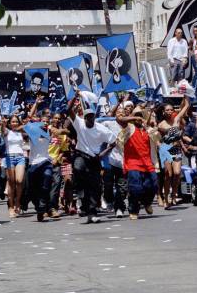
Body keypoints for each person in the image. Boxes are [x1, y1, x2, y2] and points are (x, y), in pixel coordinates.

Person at [67, 91, 117, 223]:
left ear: (94, 117)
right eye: (87, 116)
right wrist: (75, 97)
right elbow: (68, 110)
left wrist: (102, 155)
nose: (89, 119)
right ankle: (79, 192)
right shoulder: (79, 124)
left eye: (91, 116)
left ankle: (92, 212)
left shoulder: (101, 129)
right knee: (78, 168)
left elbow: (113, 143)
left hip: (94, 158)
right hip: (81, 155)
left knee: (94, 186)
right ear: (84, 117)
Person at [117, 109, 160, 220]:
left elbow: (159, 138)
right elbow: (120, 120)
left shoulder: (149, 130)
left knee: (154, 185)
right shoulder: (129, 128)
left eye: (141, 116)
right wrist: (134, 118)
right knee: (136, 188)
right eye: (136, 116)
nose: (139, 118)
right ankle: (134, 210)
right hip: (133, 163)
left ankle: (147, 202)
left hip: (148, 163)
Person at [101, 104, 134, 218]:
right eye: (118, 112)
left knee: (122, 187)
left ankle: (119, 207)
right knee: (108, 185)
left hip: (124, 162)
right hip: (109, 161)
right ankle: (109, 200)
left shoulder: (130, 127)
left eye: (123, 113)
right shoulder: (108, 124)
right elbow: (99, 121)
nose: (121, 114)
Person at [157, 97, 190, 208]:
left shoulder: (176, 121)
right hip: (165, 149)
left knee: (176, 173)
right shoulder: (161, 125)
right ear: (163, 112)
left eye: (171, 110)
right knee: (168, 174)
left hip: (175, 149)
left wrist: (185, 96)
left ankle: (174, 195)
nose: (170, 112)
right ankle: (166, 198)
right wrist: (178, 131)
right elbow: (170, 133)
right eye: (167, 110)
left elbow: (185, 108)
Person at [0, 114, 28, 218]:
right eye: (13, 122)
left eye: (16, 121)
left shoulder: (21, 132)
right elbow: (3, 130)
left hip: (20, 157)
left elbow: (28, 123)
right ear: (9, 123)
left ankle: (17, 202)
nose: (14, 123)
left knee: (19, 181)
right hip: (9, 157)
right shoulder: (7, 131)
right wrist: (2, 124)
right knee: (11, 183)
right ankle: (11, 206)